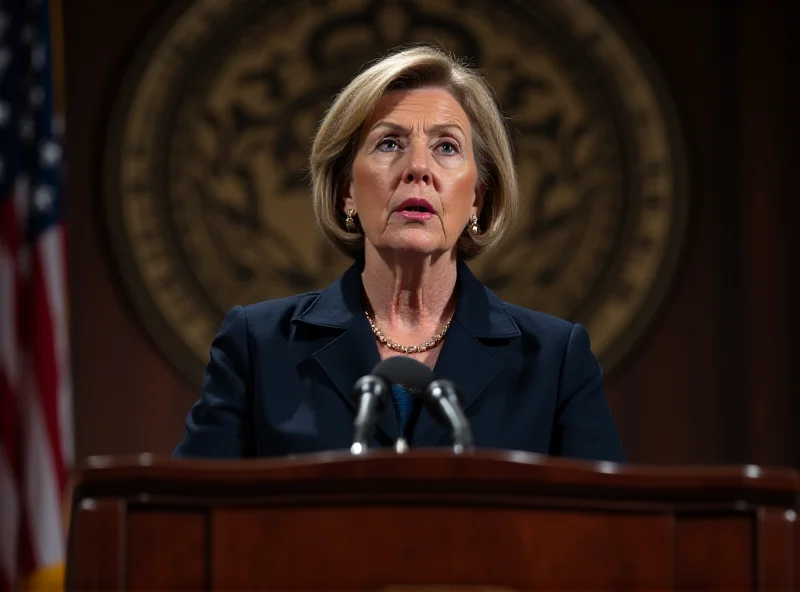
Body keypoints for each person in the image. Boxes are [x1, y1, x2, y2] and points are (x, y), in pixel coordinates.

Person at [173, 45, 625, 462]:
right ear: (346, 190)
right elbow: (185, 520)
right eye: (389, 143)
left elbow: (610, 531)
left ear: (478, 199)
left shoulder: (554, 360)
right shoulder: (258, 346)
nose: (418, 169)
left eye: (446, 147)